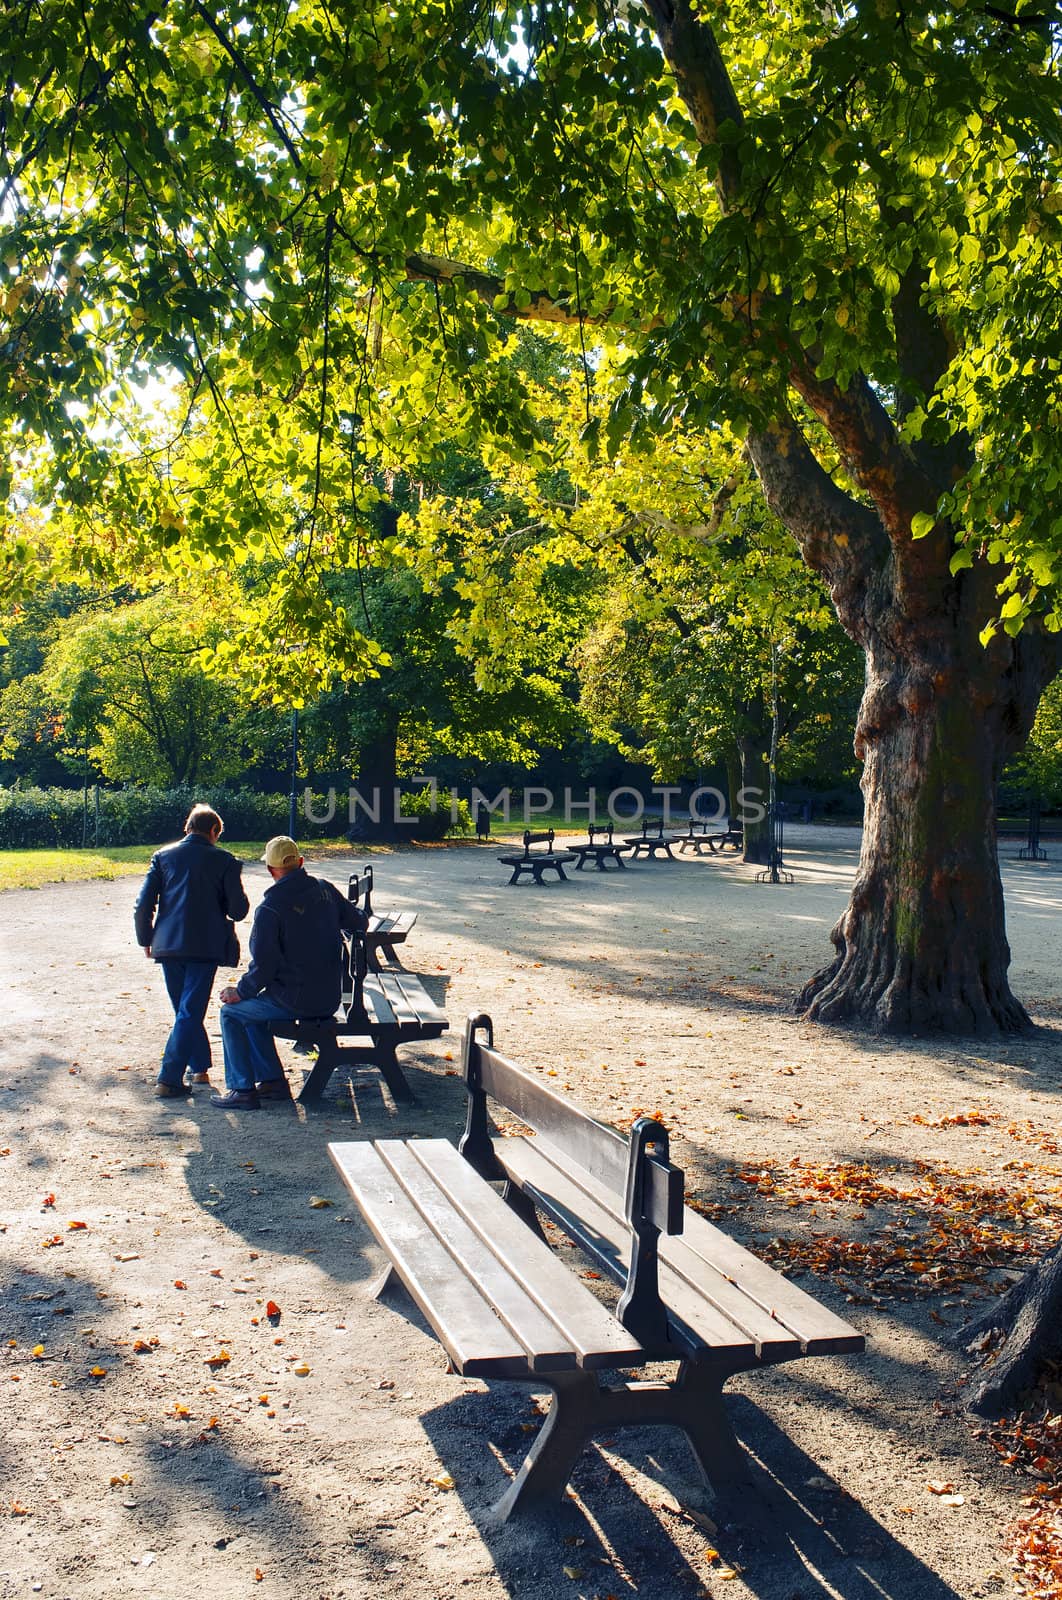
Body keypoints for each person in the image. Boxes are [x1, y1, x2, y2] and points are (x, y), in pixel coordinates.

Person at [212, 836, 366, 1109]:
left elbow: (264, 965)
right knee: (251, 1011)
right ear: (301, 863)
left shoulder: (270, 908)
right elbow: (358, 921)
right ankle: (272, 1082)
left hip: (294, 999)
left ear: (270, 870)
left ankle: (241, 1088)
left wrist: (241, 991)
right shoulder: (324, 889)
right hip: (330, 996)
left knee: (233, 1013)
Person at [134, 804, 249, 1098]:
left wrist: (146, 938)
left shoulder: (162, 857)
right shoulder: (225, 861)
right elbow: (238, 911)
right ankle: (169, 1078)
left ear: (186, 828)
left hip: (168, 944)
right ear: (214, 832)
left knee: (184, 1011)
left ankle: (198, 1068)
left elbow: (144, 904)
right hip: (205, 946)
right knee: (189, 1011)